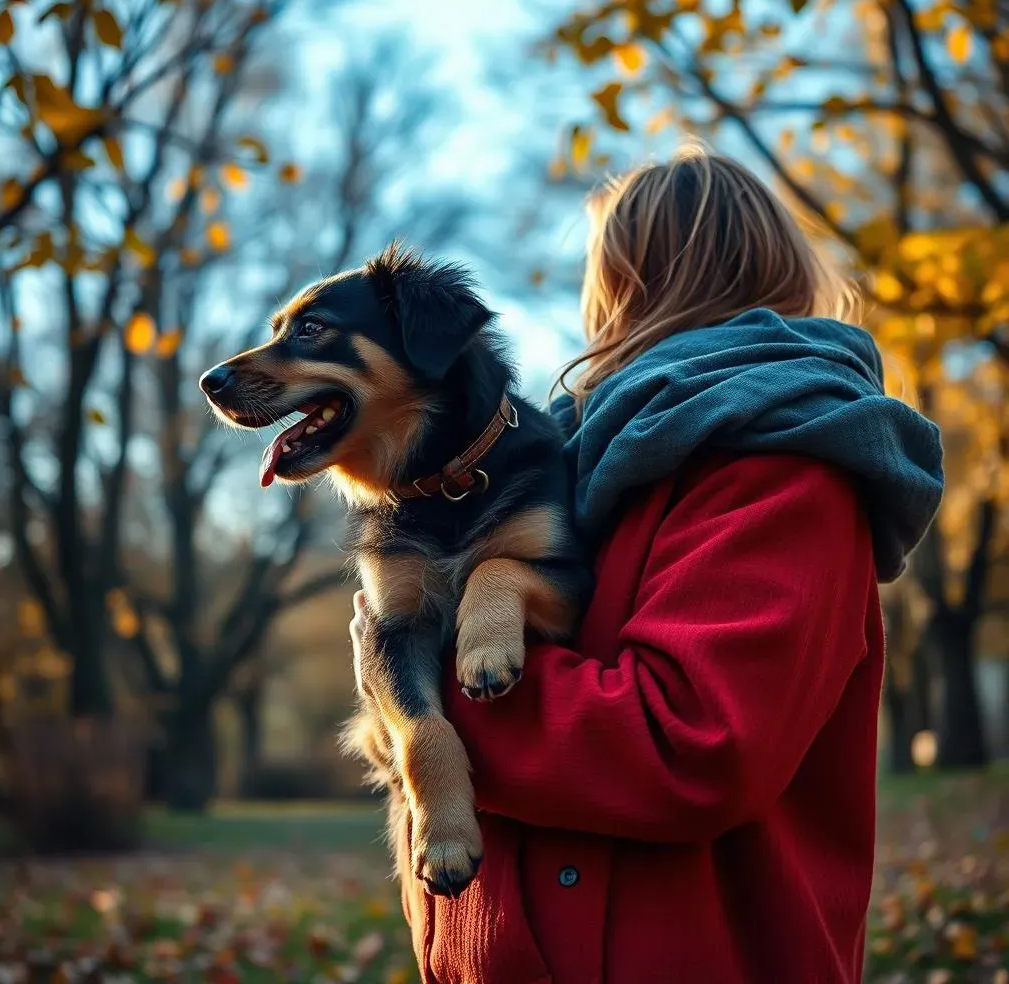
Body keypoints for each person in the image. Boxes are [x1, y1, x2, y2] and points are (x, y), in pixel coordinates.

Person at [349, 145, 944, 984]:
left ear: (621, 281)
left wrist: (417, 691)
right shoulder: (571, 452)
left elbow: (692, 742)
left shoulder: (784, 463)